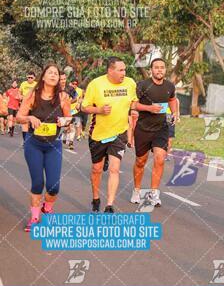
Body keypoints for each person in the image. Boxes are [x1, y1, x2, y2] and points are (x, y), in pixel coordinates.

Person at [15, 64, 71, 231]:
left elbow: (70, 118)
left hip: (53, 145)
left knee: (54, 186)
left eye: (56, 73)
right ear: (44, 77)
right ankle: (34, 217)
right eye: (50, 73)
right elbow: (19, 116)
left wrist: (64, 121)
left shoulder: (63, 97)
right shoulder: (33, 94)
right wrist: (30, 117)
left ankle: (47, 207)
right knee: (38, 183)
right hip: (34, 144)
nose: (54, 75)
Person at [82, 57, 138, 213]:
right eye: (120, 70)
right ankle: (95, 198)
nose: (124, 73)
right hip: (98, 134)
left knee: (114, 169)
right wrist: (98, 110)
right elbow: (84, 107)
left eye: (124, 69)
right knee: (96, 169)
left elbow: (133, 103)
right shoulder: (96, 84)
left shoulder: (130, 83)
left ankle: (109, 205)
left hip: (119, 133)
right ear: (110, 70)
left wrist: (139, 111)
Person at [131, 58, 178, 206]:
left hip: (161, 128)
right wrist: (149, 108)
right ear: (151, 70)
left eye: (162, 68)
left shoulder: (170, 86)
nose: (159, 70)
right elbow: (133, 104)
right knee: (140, 161)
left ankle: (153, 193)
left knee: (159, 158)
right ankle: (137, 190)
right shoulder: (142, 85)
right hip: (143, 128)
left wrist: (175, 112)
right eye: (156, 67)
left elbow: (172, 99)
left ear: (165, 70)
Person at [19, 72, 37, 140]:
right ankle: (25, 140)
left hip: (34, 107)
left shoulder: (36, 84)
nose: (29, 79)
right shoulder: (23, 84)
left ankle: (32, 139)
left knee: (32, 123)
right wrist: (20, 97)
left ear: (34, 78)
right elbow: (19, 92)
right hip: (24, 106)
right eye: (28, 77)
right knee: (25, 123)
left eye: (31, 78)